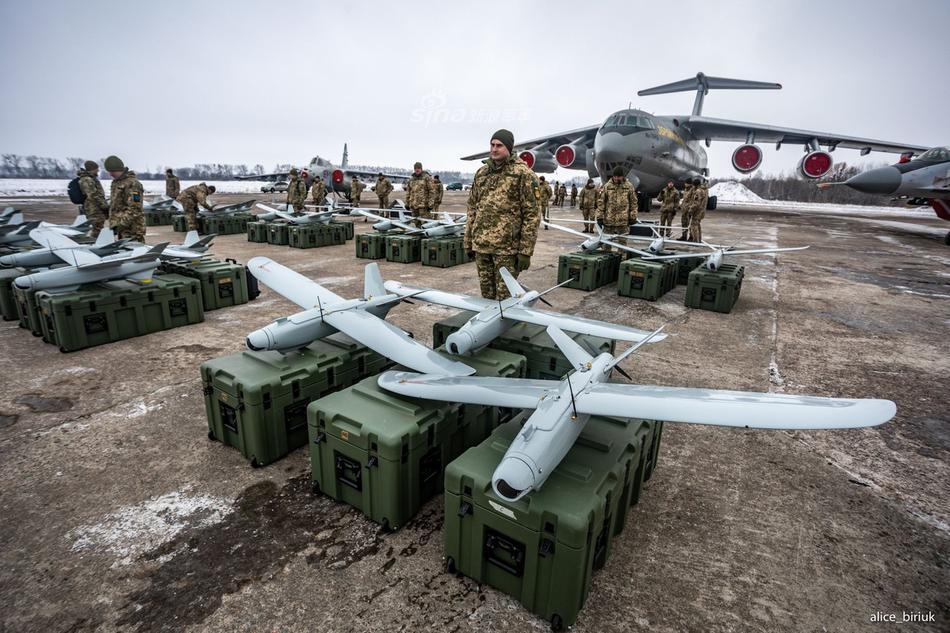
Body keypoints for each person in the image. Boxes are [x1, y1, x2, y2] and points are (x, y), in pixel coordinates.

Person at [463, 129, 540, 300]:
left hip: (507, 250)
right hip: (482, 246)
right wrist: (468, 241)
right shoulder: (482, 173)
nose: (494, 149)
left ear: (509, 148)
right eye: (492, 145)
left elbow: (532, 215)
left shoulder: (523, 174)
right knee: (486, 297)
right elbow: (472, 208)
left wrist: (525, 251)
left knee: (505, 300)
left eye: (499, 145)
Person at [103, 155, 145, 242]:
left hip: (132, 229)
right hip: (122, 228)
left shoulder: (132, 184)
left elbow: (135, 208)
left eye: (112, 171)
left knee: (134, 249)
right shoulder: (117, 183)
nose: (110, 174)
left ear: (118, 169)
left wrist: (121, 224)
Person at [597, 166, 636, 253]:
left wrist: (633, 216)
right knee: (606, 243)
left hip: (623, 221)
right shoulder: (607, 186)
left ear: (622, 176)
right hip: (609, 220)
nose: (616, 178)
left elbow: (633, 202)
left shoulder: (629, 186)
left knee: (622, 243)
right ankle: (606, 258)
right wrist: (599, 216)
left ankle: (620, 258)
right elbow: (601, 202)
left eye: (618, 176)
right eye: (614, 176)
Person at [77, 160, 109, 238]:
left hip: (96, 207)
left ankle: (95, 240)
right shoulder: (87, 180)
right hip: (93, 208)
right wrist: (104, 205)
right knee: (97, 227)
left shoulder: (91, 178)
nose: (98, 170)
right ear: (91, 169)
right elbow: (93, 195)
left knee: (99, 226)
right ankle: (94, 241)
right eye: (96, 169)